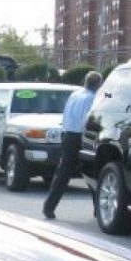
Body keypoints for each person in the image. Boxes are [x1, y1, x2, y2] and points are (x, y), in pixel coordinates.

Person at [43, 70, 102, 220]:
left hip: (67, 134)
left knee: (62, 173)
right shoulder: (91, 98)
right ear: (98, 84)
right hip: (80, 137)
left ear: (86, 82)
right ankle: (99, 209)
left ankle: (49, 206)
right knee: (92, 173)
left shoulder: (75, 95)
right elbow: (87, 121)